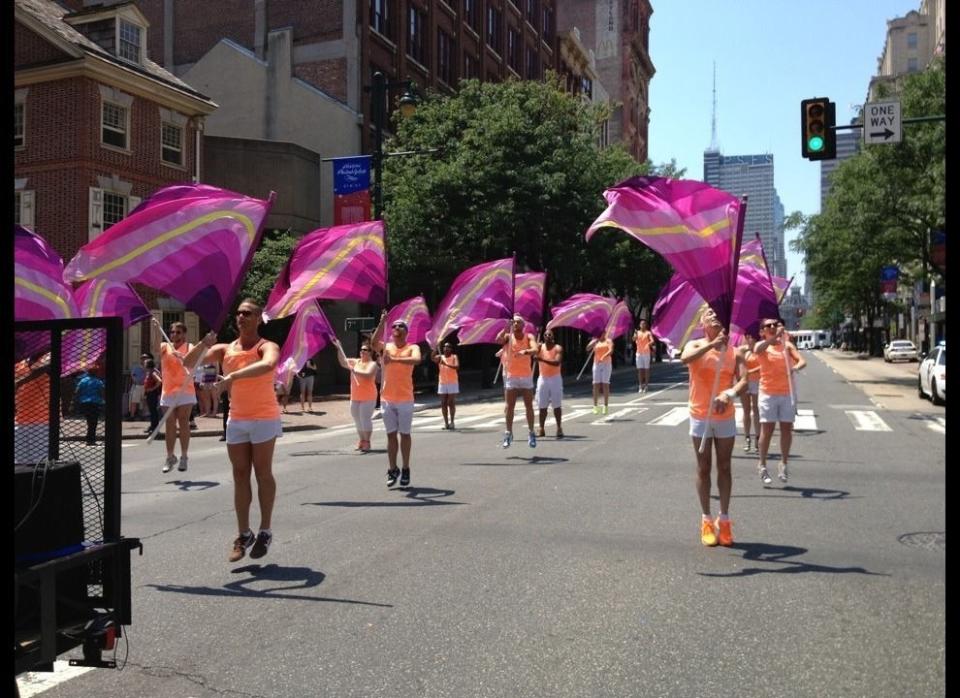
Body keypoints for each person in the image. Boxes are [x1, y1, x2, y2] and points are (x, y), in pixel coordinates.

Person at [203, 298, 282, 562]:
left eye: (247, 313)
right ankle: (243, 533)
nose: (241, 317)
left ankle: (265, 530)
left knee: (262, 473)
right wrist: (203, 346)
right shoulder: (225, 349)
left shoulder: (266, 346)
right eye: (238, 313)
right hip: (237, 418)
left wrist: (233, 377)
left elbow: (269, 365)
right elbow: (190, 363)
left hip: (264, 417)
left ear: (258, 318)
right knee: (239, 475)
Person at [680, 308, 748, 547]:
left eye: (717, 312)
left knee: (725, 466)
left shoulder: (734, 351)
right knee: (703, 467)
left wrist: (728, 394)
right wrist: (713, 345)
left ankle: (725, 519)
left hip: (725, 416)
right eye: (709, 313)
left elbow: (743, 381)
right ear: (702, 322)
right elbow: (685, 358)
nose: (715, 315)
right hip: (700, 415)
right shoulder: (696, 345)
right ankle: (706, 519)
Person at [152, 318, 210, 473]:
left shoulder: (190, 347)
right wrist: (157, 329)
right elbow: (155, 348)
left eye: (178, 332)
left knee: (183, 421)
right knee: (170, 424)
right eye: (172, 332)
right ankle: (170, 457)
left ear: (184, 334)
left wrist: (182, 357)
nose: (174, 334)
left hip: (185, 389)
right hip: (168, 390)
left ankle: (184, 456)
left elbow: (195, 363)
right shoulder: (165, 346)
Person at [753, 318, 807, 485]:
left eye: (775, 325)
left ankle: (783, 463)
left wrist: (795, 368)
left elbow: (802, 361)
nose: (772, 327)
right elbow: (757, 349)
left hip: (786, 393)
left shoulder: (787, 345)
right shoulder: (762, 346)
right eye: (768, 326)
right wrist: (773, 337)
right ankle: (762, 465)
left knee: (786, 430)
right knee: (767, 430)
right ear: (762, 331)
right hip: (768, 393)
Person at [371, 312, 422, 487]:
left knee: (405, 434)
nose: (396, 328)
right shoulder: (386, 346)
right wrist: (382, 322)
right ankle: (393, 468)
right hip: (387, 398)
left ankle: (406, 468)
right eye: (394, 326)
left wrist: (394, 359)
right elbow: (372, 343)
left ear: (406, 331)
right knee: (390, 435)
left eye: (400, 326)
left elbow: (416, 359)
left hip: (405, 398)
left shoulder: (412, 347)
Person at [495, 314, 539, 448]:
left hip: (525, 376)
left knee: (529, 406)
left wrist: (524, 352)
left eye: (518, 322)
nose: (515, 324)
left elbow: (535, 349)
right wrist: (505, 327)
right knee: (509, 407)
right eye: (513, 322)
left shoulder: (529, 336)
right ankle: (508, 433)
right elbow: (498, 340)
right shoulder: (509, 337)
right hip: (511, 376)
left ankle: (531, 433)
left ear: (523, 325)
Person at [333, 338, 378, 451]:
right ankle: (362, 440)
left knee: (365, 418)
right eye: (362, 350)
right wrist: (339, 348)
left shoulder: (373, 364)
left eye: (366, 350)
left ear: (370, 352)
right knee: (357, 419)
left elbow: (368, 374)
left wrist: (354, 371)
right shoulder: (356, 362)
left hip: (368, 396)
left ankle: (367, 441)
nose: (363, 352)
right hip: (355, 396)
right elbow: (343, 361)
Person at [14, 351, 51, 464]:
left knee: (39, 461)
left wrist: (20, 382)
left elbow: (44, 368)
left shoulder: (48, 356)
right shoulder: (21, 362)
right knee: (20, 461)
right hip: (20, 419)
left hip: (41, 420)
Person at [534, 329, 564, 438]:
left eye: (549, 334)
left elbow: (557, 362)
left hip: (555, 378)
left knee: (556, 405)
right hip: (543, 378)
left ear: (553, 337)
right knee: (542, 405)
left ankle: (559, 428)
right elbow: (533, 356)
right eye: (546, 334)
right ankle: (541, 428)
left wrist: (541, 359)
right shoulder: (540, 348)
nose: (547, 336)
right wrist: (535, 349)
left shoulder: (558, 348)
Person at [737, 332, 761, 453]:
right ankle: (747, 438)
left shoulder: (761, 349)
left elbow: (763, 366)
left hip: (757, 382)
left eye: (753, 337)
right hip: (745, 382)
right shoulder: (742, 350)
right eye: (748, 337)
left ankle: (758, 439)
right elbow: (737, 364)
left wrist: (750, 371)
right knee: (746, 410)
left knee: (756, 410)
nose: (750, 339)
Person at [74, 367, 106, 445]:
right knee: (93, 422)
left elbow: (77, 391)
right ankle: (91, 439)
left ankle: (89, 438)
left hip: (84, 403)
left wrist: (77, 401)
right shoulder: (98, 382)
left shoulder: (83, 381)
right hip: (95, 403)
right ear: (96, 373)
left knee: (89, 421)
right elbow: (102, 392)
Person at [432, 341, 459, 430]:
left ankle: (452, 422)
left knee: (450, 403)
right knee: (443, 403)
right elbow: (432, 358)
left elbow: (456, 367)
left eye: (448, 347)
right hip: (442, 382)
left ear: (451, 349)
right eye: (444, 347)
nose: (446, 348)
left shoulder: (454, 357)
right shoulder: (440, 357)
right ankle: (446, 423)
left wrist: (446, 364)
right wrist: (435, 348)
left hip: (452, 382)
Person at [586, 330, 614, 414]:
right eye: (599, 333)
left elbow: (611, 351)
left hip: (606, 364)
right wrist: (594, 342)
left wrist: (604, 356)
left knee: (605, 384)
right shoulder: (595, 341)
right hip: (597, 364)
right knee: (595, 384)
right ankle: (595, 406)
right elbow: (587, 348)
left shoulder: (609, 341)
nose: (601, 334)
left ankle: (605, 406)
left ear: (605, 333)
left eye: (602, 333)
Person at [633, 320, 655, 393]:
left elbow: (652, 341)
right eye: (641, 324)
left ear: (645, 325)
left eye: (644, 324)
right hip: (639, 353)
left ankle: (646, 385)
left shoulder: (648, 333)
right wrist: (635, 334)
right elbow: (633, 339)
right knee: (640, 370)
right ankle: (640, 385)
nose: (643, 325)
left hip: (646, 353)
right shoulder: (637, 332)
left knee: (646, 370)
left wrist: (648, 344)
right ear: (639, 325)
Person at [142, 358, 162, 434]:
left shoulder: (152, 373)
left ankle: (155, 427)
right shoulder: (150, 372)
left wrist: (152, 389)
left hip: (152, 394)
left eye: (145, 363)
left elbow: (159, 381)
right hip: (149, 394)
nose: (143, 365)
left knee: (153, 411)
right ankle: (152, 426)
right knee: (152, 410)